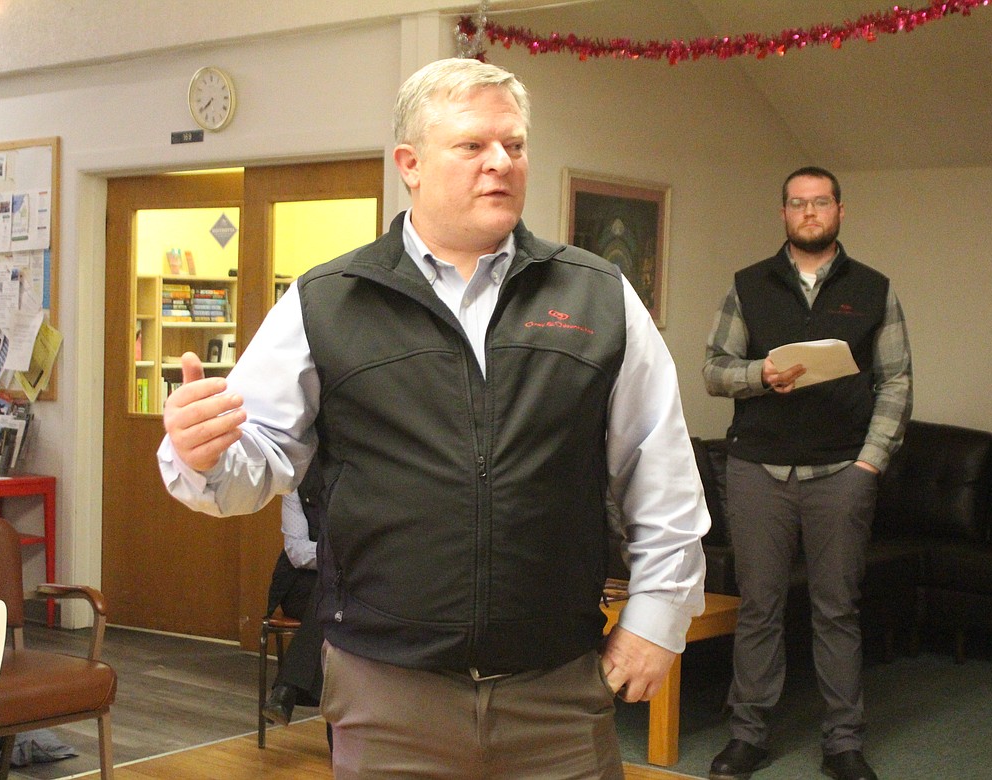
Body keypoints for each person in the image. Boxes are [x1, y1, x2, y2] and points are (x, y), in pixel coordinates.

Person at [159, 57, 710, 780]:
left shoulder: (597, 295)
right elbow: (254, 465)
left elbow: (660, 470)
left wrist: (657, 621)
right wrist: (200, 456)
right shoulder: (328, 300)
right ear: (410, 164)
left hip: (555, 691)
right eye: (473, 146)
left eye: (514, 146)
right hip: (387, 694)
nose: (501, 164)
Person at [702, 166, 913, 780]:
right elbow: (715, 369)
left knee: (836, 610)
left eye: (820, 203)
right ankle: (748, 735)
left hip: (841, 471)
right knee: (759, 608)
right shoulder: (749, 284)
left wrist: (870, 461)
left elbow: (896, 381)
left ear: (840, 211)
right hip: (756, 470)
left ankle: (843, 743)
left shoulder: (874, 289)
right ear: (784, 213)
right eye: (798, 203)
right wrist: (758, 375)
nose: (809, 213)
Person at [261, 471, 325, 728]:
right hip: (300, 586)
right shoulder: (294, 483)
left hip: (335, 587)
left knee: (332, 593)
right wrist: (338, 556)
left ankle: (286, 689)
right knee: (332, 595)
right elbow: (297, 552)